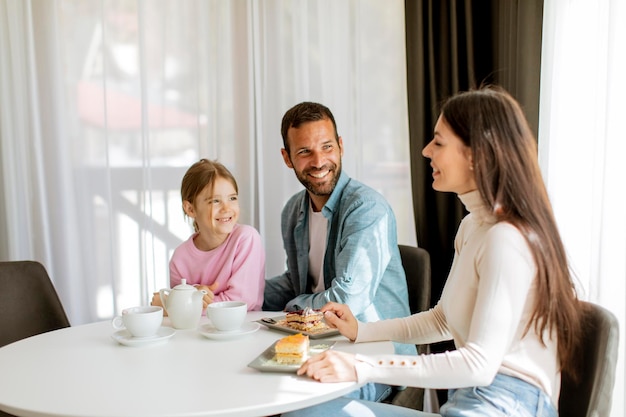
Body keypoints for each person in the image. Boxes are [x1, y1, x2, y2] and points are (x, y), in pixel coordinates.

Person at [282, 86, 584, 417]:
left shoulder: (505, 239)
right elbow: (443, 318)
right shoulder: (472, 228)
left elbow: (479, 365)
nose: (426, 151)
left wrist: (362, 367)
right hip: (470, 399)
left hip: (508, 405)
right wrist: (363, 331)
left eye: (439, 142)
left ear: (475, 154)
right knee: (306, 411)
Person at [263, 101, 416, 400]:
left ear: (341, 146)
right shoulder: (293, 211)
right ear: (287, 157)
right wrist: (230, 295)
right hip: (322, 347)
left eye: (327, 146)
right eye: (305, 151)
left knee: (297, 404)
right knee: (259, 390)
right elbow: (297, 282)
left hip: (375, 357)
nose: (319, 161)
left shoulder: (366, 208)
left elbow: (349, 298)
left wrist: (295, 306)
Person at [152, 159, 265, 311]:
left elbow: (241, 302)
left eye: (232, 198)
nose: (227, 208)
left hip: (242, 330)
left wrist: (178, 305)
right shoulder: (180, 259)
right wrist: (184, 304)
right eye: (215, 201)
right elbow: (181, 316)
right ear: (190, 209)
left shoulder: (246, 239)